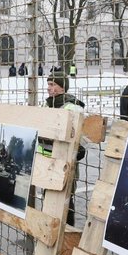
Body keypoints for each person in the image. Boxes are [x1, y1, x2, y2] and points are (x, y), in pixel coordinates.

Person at [40, 71, 86, 224]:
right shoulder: (46, 105)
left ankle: (66, 234)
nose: (48, 88)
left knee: (65, 202)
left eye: (52, 84)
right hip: (47, 162)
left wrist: (77, 149)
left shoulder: (72, 108)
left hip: (65, 164)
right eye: (48, 84)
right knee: (47, 198)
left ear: (62, 87)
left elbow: (82, 135)